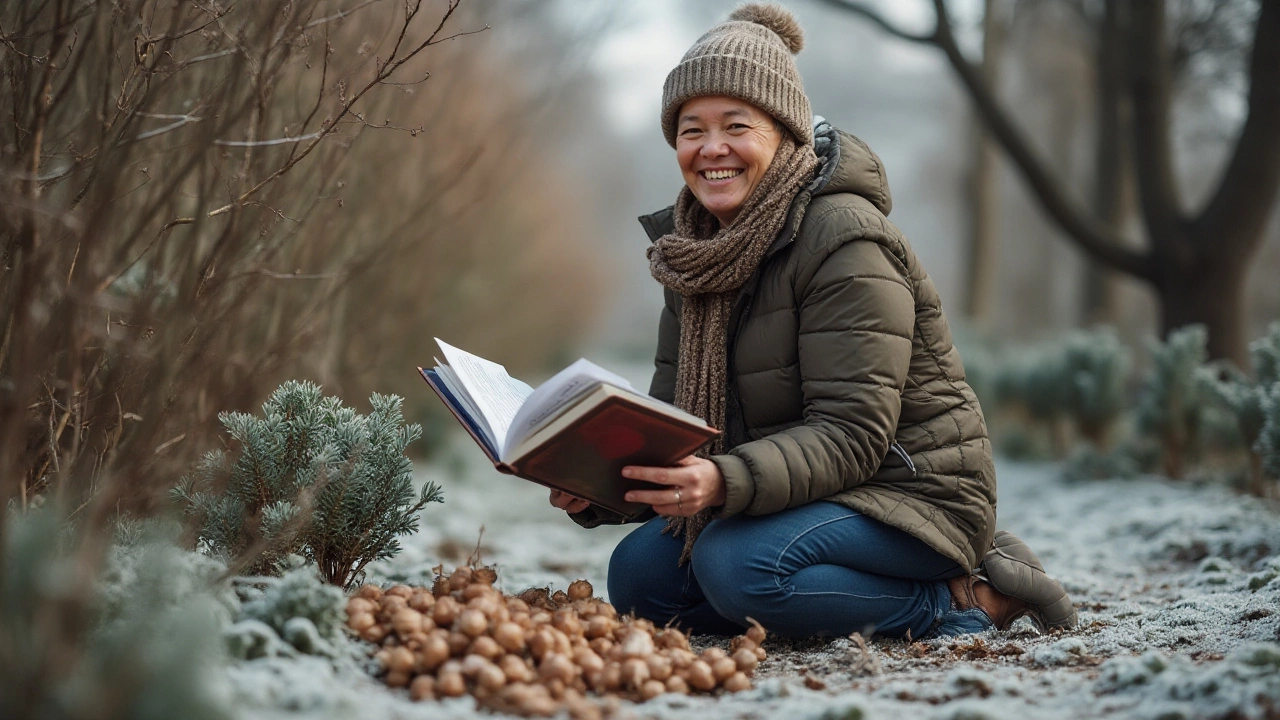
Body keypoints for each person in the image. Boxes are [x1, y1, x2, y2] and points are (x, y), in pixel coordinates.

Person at [550, 3, 1076, 640]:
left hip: (909, 493)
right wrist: (598, 487)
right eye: (691, 130)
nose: (711, 149)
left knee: (737, 566)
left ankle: (961, 598)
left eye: (735, 125)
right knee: (641, 578)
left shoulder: (847, 240)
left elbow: (854, 434)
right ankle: (816, 598)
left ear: (785, 133)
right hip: (791, 493)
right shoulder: (694, 255)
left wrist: (723, 480)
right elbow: (677, 431)